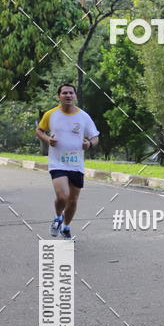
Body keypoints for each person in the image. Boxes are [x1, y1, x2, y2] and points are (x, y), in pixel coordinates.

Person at [35, 83, 99, 239]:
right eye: (64, 93)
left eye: (71, 93)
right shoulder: (51, 114)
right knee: (63, 196)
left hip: (76, 164)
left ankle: (66, 227)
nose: (68, 95)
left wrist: (89, 144)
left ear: (75, 96)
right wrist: (47, 139)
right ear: (59, 96)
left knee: (73, 200)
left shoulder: (84, 116)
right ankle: (58, 217)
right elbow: (39, 130)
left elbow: (95, 137)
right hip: (57, 163)